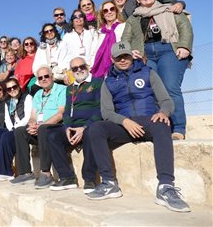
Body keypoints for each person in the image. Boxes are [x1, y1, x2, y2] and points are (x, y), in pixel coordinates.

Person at [87, 41, 190, 213]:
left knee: (163, 124)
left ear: (131, 55)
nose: (123, 60)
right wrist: (124, 121)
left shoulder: (147, 72)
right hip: (125, 125)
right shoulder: (108, 82)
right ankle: (109, 183)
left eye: (125, 56)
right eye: (118, 57)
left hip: (149, 121)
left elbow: (166, 101)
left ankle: (165, 187)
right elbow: (107, 112)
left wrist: (164, 112)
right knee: (96, 128)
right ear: (112, 59)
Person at [122, 0, 193, 140]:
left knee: (170, 87)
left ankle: (178, 128)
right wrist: (129, 51)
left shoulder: (169, 9)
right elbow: (125, 38)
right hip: (146, 54)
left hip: (169, 49)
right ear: (138, 0)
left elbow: (185, 27)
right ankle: (160, 128)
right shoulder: (134, 18)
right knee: (151, 90)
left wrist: (184, 46)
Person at [47, 57, 102, 193]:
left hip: (89, 125)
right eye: (75, 68)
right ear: (71, 71)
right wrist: (67, 128)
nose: (79, 70)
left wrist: (84, 128)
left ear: (87, 67)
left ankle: (89, 179)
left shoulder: (98, 83)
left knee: (91, 133)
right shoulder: (70, 88)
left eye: (81, 66)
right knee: (52, 135)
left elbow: (100, 108)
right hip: (72, 126)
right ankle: (67, 177)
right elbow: (66, 112)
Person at [10, 65, 66, 189]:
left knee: (43, 129)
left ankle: (46, 174)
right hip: (40, 128)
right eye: (40, 78)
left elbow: (61, 113)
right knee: (20, 131)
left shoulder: (62, 90)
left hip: (55, 127)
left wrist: (41, 125)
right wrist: (32, 125)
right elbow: (33, 116)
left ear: (52, 77)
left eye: (46, 76)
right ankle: (25, 173)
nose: (43, 79)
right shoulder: (38, 94)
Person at [0, 78, 33, 181]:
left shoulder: (27, 97)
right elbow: (7, 119)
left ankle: (6, 172)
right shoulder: (7, 102)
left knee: (6, 137)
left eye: (14, 87)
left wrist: (15, 128)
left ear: (19, 87)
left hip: (23, 128)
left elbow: (28, 117)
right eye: (9, 89)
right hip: (13, 128)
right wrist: (12, 129)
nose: (12, 90)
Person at [90, 0, 125, 78]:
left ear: (116, 10)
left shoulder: (123, 26)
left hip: (119, 65)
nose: (109, 12)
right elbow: (94, 52)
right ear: (102, 14)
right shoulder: (99, 32)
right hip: (100, 70)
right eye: (105, 10)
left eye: (112, 9)